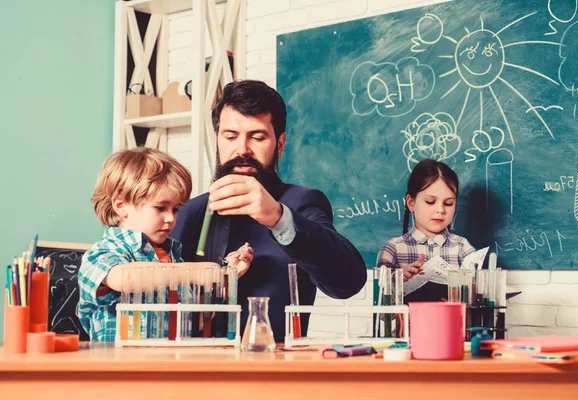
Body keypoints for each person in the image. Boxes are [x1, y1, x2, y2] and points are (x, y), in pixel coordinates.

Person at [171, 80, 367, 342]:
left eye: (257, 137)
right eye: (230, 136)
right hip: (196, 371)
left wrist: (278, 217)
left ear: (280, 144)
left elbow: (348, 283)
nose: (242, 149)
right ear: (217, 141)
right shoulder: (188, 211)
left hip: (276, 372)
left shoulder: (302, 203)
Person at [77, 147, 253, 341]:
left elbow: (198, 322)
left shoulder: (173, 256)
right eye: (160, 208)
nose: (170, 218)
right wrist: (194, 272)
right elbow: (123, 278)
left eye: (176, 209)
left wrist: (224, 277)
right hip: (122, 367)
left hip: (172, 363)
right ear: (121, 205)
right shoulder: (103, 252)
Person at [376, 159, 475, 302]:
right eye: (430, 202)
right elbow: (380, 306)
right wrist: (397, 278)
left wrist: (459, 300)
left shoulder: (463, 248)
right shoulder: (392, 249)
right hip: (408, 324)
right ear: (411, 203)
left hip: (451, 323)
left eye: (448, 203)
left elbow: (475, 297)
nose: (440, 210)